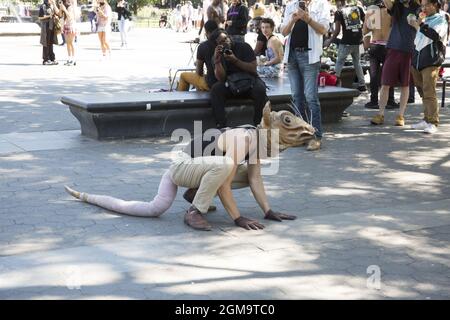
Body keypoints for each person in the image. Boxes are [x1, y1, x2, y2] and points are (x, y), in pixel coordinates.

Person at [65, 103, 316, 231]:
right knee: (226, 166)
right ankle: (194, 210)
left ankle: (195, 192)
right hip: (181, 168)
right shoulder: (246, 137)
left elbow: (255, 179)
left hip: (198, 169)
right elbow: (225, 181)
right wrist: (237, 218)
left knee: (236, 170)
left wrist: (268, 210)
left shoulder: (256, 143)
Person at [281, 0, 331, 151]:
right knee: (297, 96)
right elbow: (283, 32)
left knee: (310, 97)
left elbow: (323, 30)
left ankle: (316, 136)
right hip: (292, 56)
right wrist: (293, 19)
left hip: (310, 56)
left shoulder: (321, 4)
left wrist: (307, 18)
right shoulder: (291, 5)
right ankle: (300, 134)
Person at [370, 0, 420, 127]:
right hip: (393, 48)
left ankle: (401, 115)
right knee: (385, 83)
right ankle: (380, 114)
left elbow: (421, 27)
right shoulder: (397, 7)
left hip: (409, 50)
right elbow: (387, 2)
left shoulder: (418, 8)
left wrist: (415, 24)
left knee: (405, 84)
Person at [209, 29, 268, 128]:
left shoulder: (244, 46)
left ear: (229, 36)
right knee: (216, 89)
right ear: (217, 45)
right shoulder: (217, 54)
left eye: (226, 38)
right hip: (231, 84)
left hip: (249, 80)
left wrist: (235, 60)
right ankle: (221, 125)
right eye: (221, 42)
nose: (226, 42)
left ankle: (259, 123)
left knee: (260, 90)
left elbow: (253, 69)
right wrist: (217, 62)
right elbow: (221, 78)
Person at [409, 0, 448, 133]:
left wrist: (421, 24)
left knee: (429, 91)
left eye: (427, 5)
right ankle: (426, 119)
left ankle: (433, 122)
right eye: (422, 5)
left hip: (431, 60)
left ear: (436, 5)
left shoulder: (441, 19)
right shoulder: (423, 17)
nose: (424, 7)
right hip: (417, 59)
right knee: (422, 91)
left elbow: (435, 35)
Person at [363, 0, 399, 109]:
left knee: (374, 75)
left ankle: (373, 100)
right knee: (389, 74)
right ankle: (390, 100)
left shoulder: (372, 11)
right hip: (389, 46)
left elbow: (365, 30)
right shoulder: (392, 11)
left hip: (374, 45)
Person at [325, 0, 367, 92]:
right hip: (358, 41)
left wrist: (329, 41)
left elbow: (337, 31)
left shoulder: (339, 12)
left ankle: (334, 83)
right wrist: (362, 35)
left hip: (346, 42)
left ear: (338, 2)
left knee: (339, 62)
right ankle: (362, 84)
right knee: (357, 62)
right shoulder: (358, 8)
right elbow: (366, 22)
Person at [176, 20, 219, 91]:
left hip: (211, 84)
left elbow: (199, 72)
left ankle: (181, 100)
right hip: (226, 82)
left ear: (207, 33)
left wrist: (197, 63)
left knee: (183, 75)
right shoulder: (226, 42)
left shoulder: (203, 46)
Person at [38, 0, 61, 65]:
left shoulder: (52, 5)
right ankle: (45, 59)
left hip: (52, 26)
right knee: (46, 43)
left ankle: (52, 58)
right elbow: (40, 17)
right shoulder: (43, 6)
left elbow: (58, 13)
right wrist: (48, 16)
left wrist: (54, 4)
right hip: (46, 27)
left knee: (51, 43)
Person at [59, 0, 78, 66]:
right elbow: (60, 15)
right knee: (67, 43)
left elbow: (70, 17)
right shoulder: (65, 6)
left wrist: (64, 9)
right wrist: (61, 9)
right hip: (66, 26)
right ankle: (69, 59)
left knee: (72, 43)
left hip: (71, 26)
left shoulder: (71, 7)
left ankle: (74, 59)